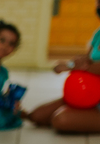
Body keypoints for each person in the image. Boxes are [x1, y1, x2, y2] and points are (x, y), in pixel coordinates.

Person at [26, 0, 100, 134]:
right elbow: (87, 60)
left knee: (60, 120)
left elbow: (88, 66)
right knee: (36, 116)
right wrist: (70, 64)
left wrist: (74, 67)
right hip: (88, 95)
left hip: (96, 99)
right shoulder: (98, 34)